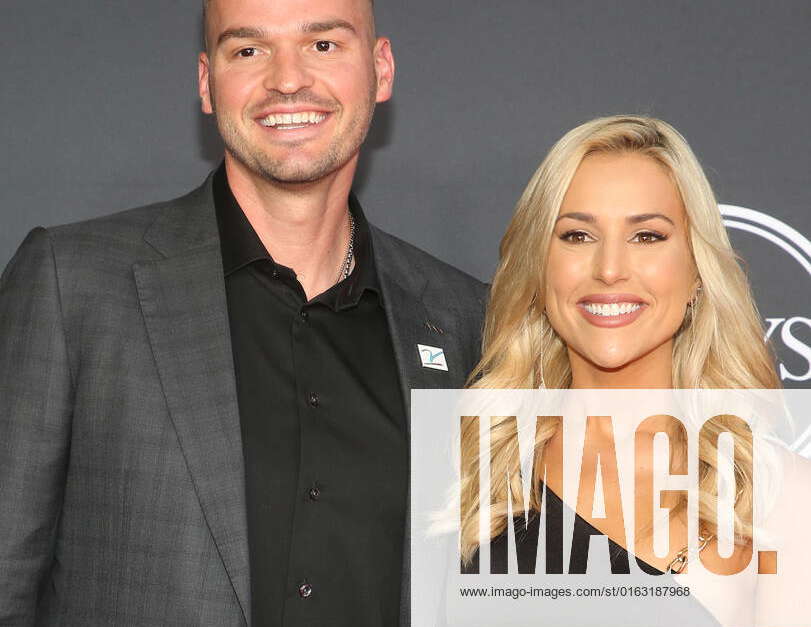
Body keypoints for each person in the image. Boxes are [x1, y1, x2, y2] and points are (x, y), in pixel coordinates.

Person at [0, 0, 487, 625]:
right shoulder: (74, 288)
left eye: (323, 45)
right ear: (207, 83)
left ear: (381, 69)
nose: (287, 79)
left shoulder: (463, 320)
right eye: (248, 50)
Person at [458, 115, 810, 625]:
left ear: (696, 272)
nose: (609, 269)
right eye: (577, 236)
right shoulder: (470, 470)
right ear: (538, 268)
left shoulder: (777, 493)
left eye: (647, 237)